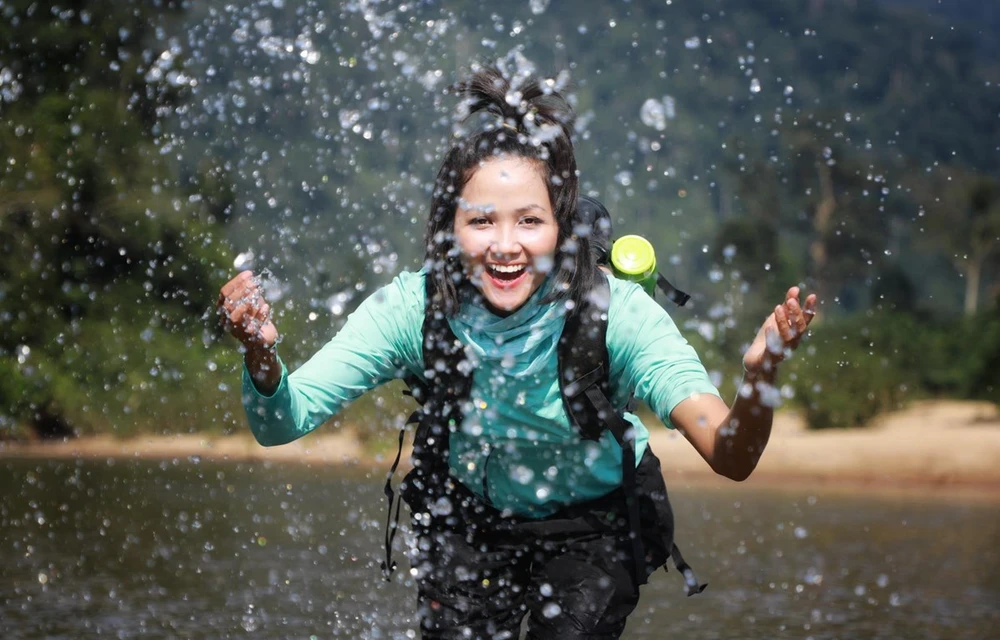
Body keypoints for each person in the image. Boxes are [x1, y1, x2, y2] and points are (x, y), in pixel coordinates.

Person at [217, 65, 817, 640]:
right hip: (469, 523)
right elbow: (282, 423)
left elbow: (730, 454)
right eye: (482, 222)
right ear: (448, 227)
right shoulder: (412, 309)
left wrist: (760, 379)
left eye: (529, 221)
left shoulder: (617, 314)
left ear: (562, 226)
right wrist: (260, 357)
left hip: (598, 528)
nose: (506, 247)